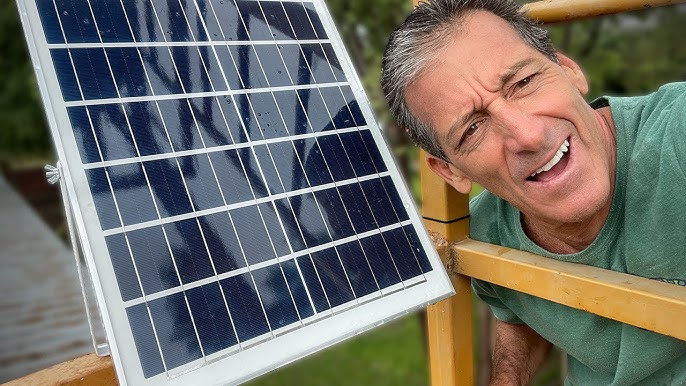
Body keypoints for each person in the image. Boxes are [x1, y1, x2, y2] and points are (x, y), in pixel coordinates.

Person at [381, 0, 686, 384]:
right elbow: (526, 309)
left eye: (523, 83)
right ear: (449, 169)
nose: (528, 135)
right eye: (472, 129)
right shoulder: (484, 238)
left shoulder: (677, 133)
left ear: (569, 71)